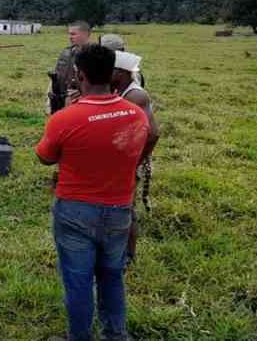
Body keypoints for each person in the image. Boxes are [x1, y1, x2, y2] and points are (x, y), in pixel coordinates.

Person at [35, 44, 153, 341]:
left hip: (75, 209)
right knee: (112, 276)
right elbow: (142, 145)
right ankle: (116, 334)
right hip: (119, 209)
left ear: (80, 74)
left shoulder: (65, 118)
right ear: (112, 73)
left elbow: (45, 157)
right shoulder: (136, 114)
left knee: (78, 281)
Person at [112, 51, 160, 265]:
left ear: (121, 73)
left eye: (110, 70)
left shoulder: (135, 96)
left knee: (126, 207)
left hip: (133, 160)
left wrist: (135, 162)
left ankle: (129, 255)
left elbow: (152, 133)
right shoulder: (121, 90)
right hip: (125, 160)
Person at [48, 21, 92, 112]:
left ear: (85, 34)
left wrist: (82, 92)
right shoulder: (66, 52)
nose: (70, 37)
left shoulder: (95, 54)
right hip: (59, 99)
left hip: (82, 102)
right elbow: (57, 75)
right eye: (69, 34)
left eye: (73, 34)